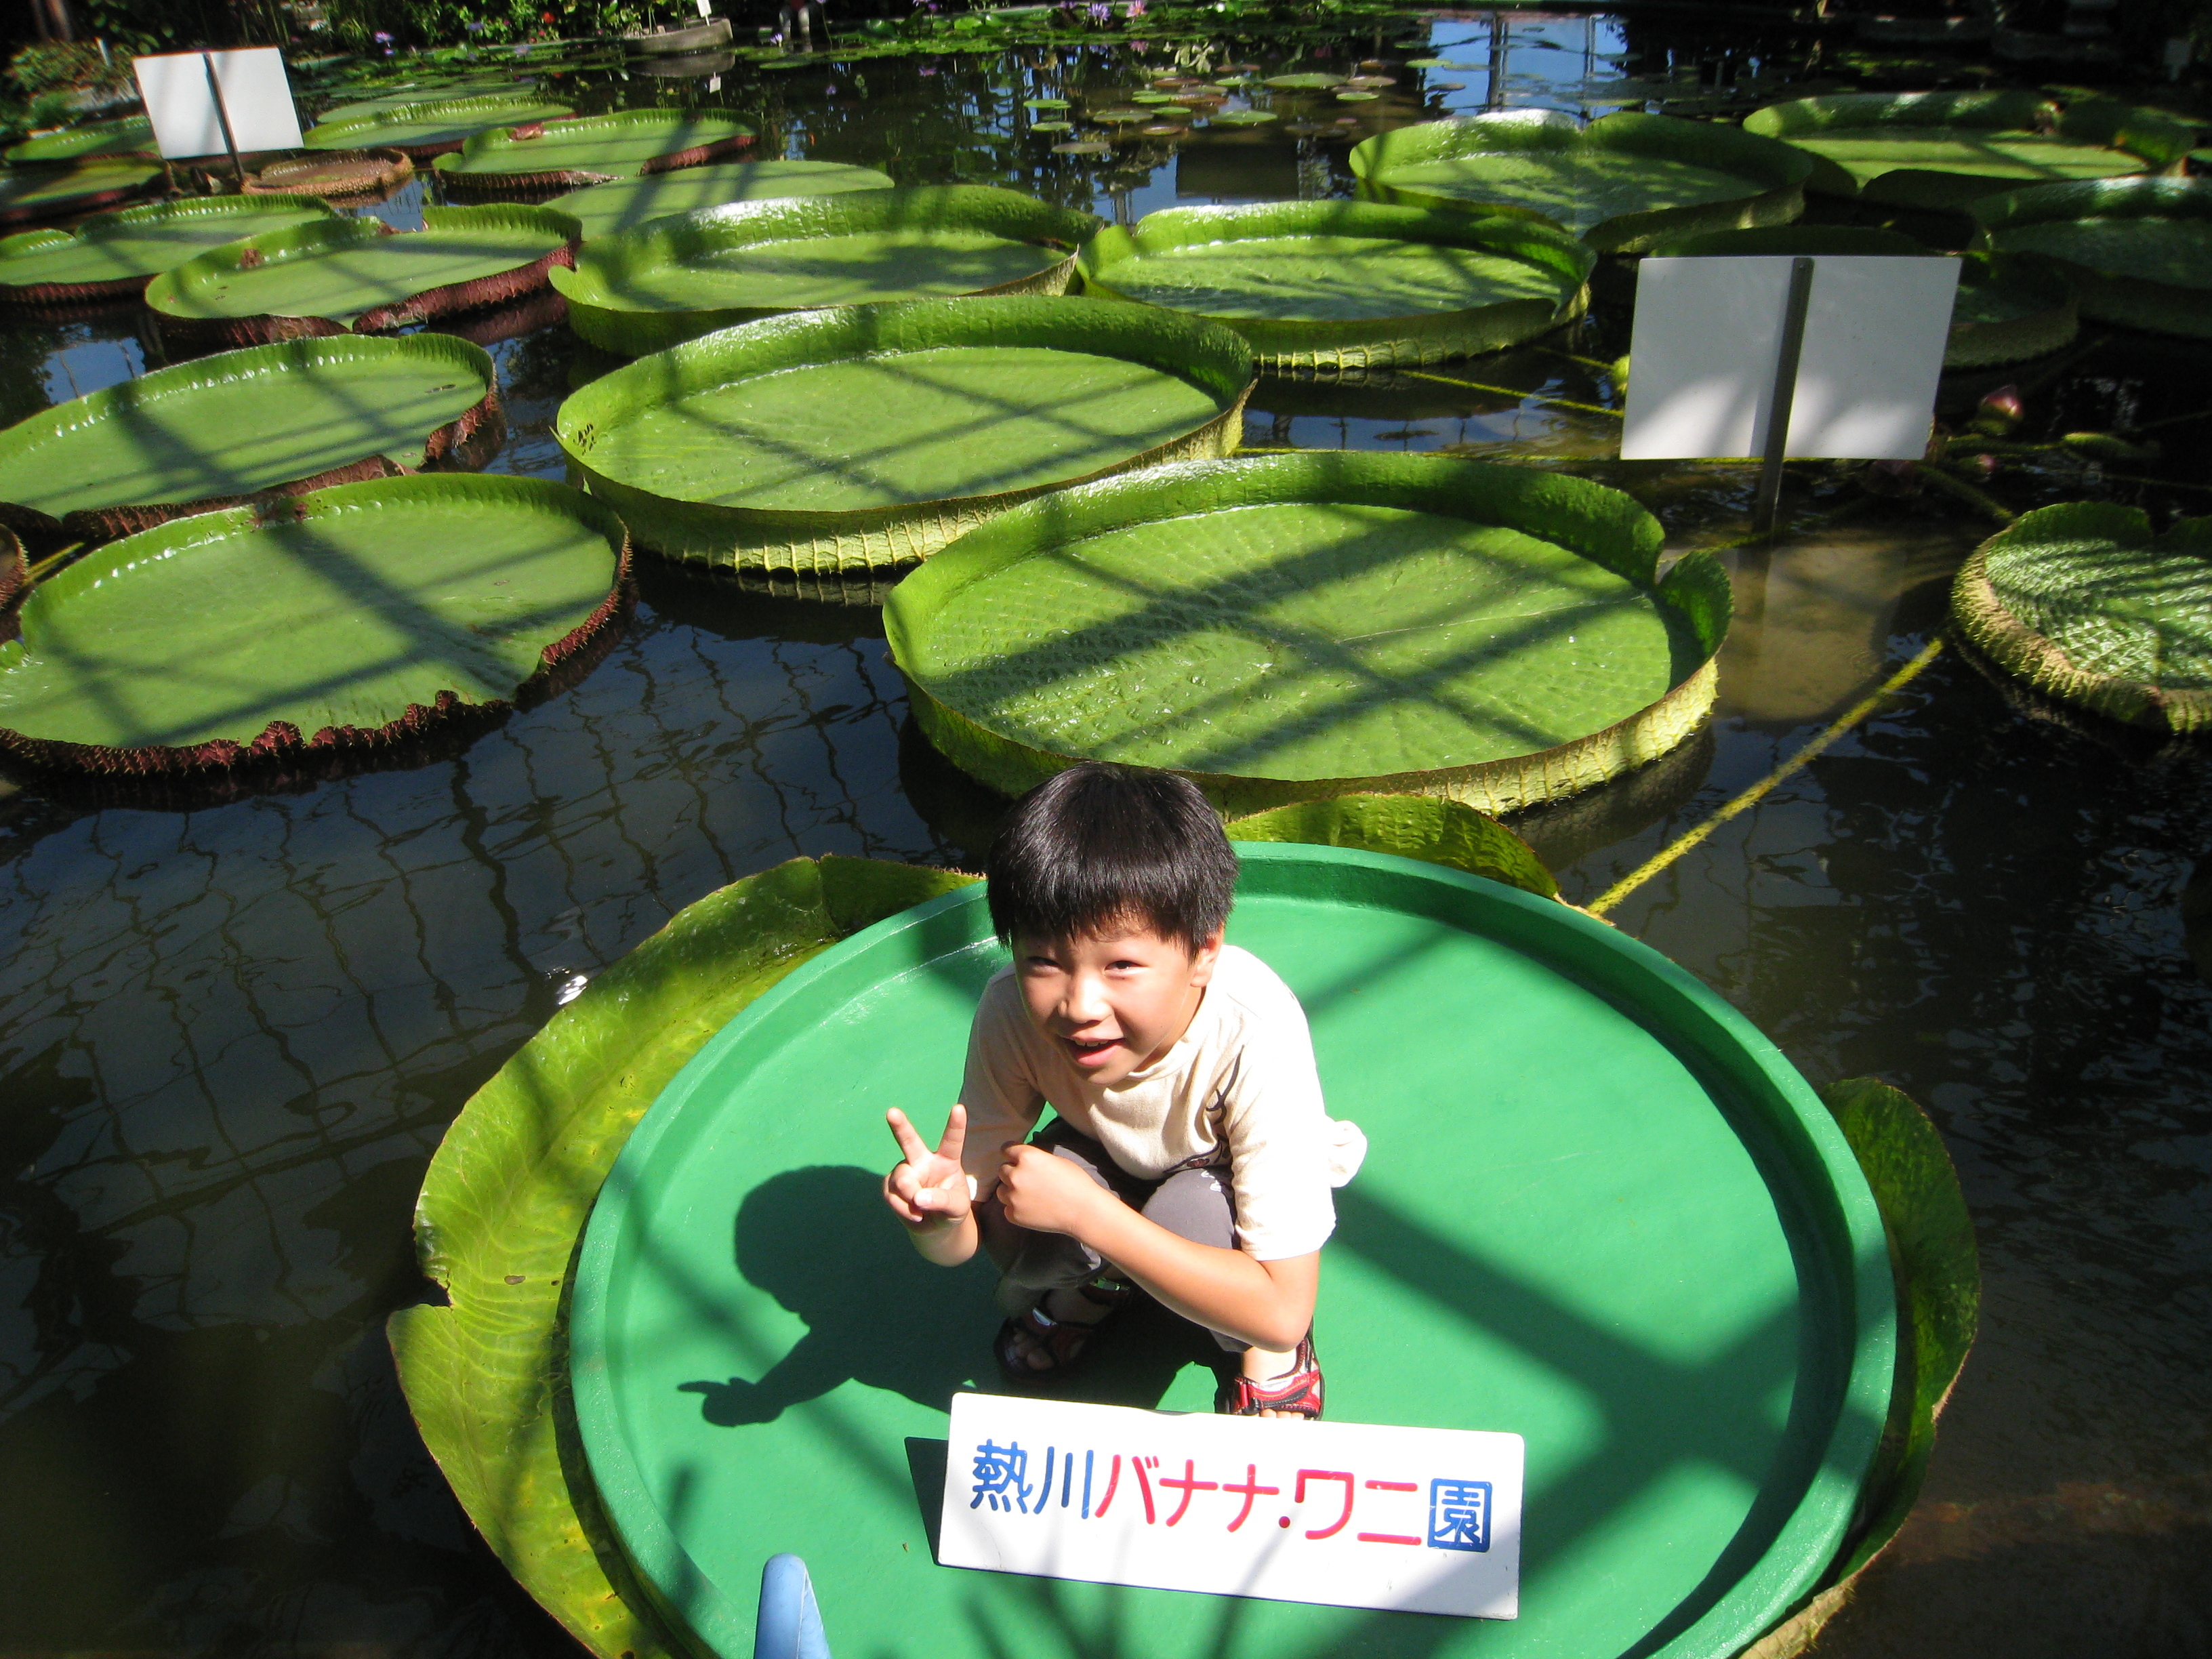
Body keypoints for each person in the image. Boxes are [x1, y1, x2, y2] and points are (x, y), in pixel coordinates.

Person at [880, 761, 1365, 1418]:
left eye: (1122, 966)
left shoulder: (1256, 1031)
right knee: (1018, 1194)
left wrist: (1090, 1217)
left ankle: (1274, 1365)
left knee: (1190, 1220)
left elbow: (1282, 1310)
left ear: (1203, 951)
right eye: (1043, 961)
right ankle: (1109, 1281)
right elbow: (968, 1236)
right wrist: (940, 1222)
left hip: (1211, 1179)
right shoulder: (1010, 1013)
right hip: (1106, 1156)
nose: (1080, 1005)